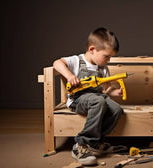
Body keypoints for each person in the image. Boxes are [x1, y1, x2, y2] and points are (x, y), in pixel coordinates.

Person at [53, 27, 125, 165]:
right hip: (78, 99)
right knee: (98, 101)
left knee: (116, 109)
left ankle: (95, 143)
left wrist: (114, 93)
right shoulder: (76, 61)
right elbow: (57, 63)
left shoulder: (103, 68)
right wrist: (69, 76)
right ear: (92, 50)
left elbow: (105, 91)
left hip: (97, 99)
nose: (108, 60)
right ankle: (81, 144)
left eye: (110, 57)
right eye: (107, 56)